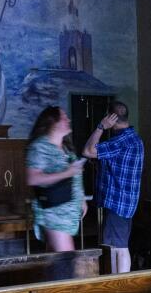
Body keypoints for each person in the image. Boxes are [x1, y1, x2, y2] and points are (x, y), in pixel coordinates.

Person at [83, 101, 144, 273]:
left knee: (117, 248)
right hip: (126, 201)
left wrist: (101, 126)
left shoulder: (120, 141)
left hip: (117, 202)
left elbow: (87, 150)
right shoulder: (135, 138)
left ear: (112, 117)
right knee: (119, 245)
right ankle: (121, 282)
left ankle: (120, 285)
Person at [27, 106, 86, 252]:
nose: (69, 120)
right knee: (66, 261)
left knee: (55, 261)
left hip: (68, 214)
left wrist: (82, 199)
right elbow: (32, 178)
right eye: (64, 117)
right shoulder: (40, 147)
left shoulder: (66, 148)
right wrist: (67, 173)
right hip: (54, 213)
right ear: (52, 122)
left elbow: (75, 177)